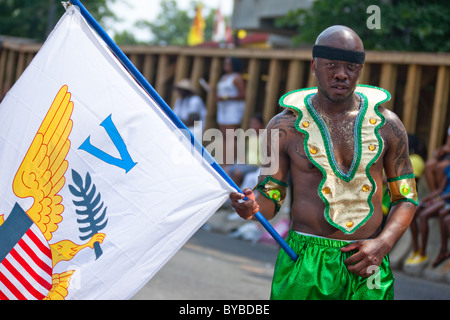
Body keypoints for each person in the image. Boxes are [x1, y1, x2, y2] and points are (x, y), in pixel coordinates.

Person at [230, 25, 418, 300]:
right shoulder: (283, 127)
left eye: (351, 67)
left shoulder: (388, 125)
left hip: (368, 264)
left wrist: (383, 244)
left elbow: (406, 197)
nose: (342, 74)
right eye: (331, 65)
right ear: (314, 66)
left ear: (361, 69)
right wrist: (252, 207)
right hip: (306, 262)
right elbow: (271, 194)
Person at [405, 164, 450, 266]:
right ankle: (416, 249)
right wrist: (424, 200)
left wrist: (438, 199)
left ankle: (423, 253)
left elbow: (443, 195)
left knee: (424, 215)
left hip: (446, 201)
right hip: (442, 199)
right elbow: (440, 190)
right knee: (413, 211)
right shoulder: (448, 168)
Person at [216, 57, 246, 165]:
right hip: (223, 109)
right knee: (223, 135)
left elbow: (243, 95)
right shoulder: (224, 77)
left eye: (228, 63)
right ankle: (223, 161)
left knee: (230, 135)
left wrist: (225, 97)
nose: (225, 65)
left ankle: (229, 162)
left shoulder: (237, 77)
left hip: (233, 108)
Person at [424, 125, 450, 192]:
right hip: (447, 156)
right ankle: (434, 194)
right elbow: (447, 145)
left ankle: (442, 196)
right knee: (428, 165)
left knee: (440, 167)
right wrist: (441, 151)